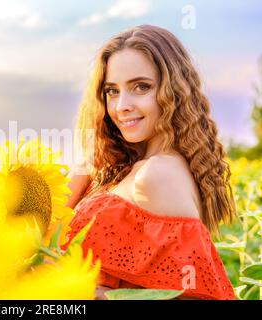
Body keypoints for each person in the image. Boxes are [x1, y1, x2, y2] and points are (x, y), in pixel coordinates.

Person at [64, 25, 237, 300]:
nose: (121, 106)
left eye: (141, 87)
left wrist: (87, 294)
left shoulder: (159, 174)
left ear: (174, 92)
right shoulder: (126, 167)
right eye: (112, 91)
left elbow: (195, 296)